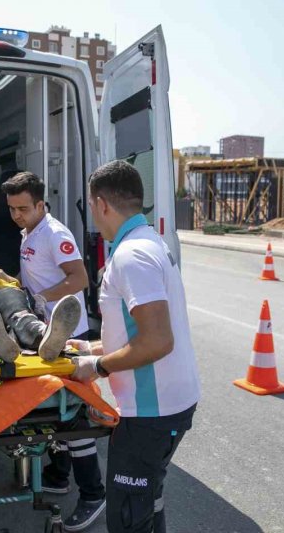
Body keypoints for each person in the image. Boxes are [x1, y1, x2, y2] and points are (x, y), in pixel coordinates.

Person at [70, 160, 200, 533]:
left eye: (92, 208)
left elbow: (158, 339)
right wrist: (92, 348)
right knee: (147, 505)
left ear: (102, 204)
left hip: (151, 414)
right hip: (163, 407)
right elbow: (137, 331)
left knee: (128, 517)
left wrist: (97, 368)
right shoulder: (146, 242)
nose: (93, 215)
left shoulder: (131, 256)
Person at [1, 171, 106, 532]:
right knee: (55, 412)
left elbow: (79, 279)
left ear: (41, 204)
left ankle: (93, 492)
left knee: (73, 418)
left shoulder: (55, 233)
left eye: (24, 208)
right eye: (12, 208)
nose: (17, 215)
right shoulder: (29, 231)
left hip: (68, 335)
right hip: (43, 331)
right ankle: (59, 476)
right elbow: (35, 273)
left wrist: (40, 299)